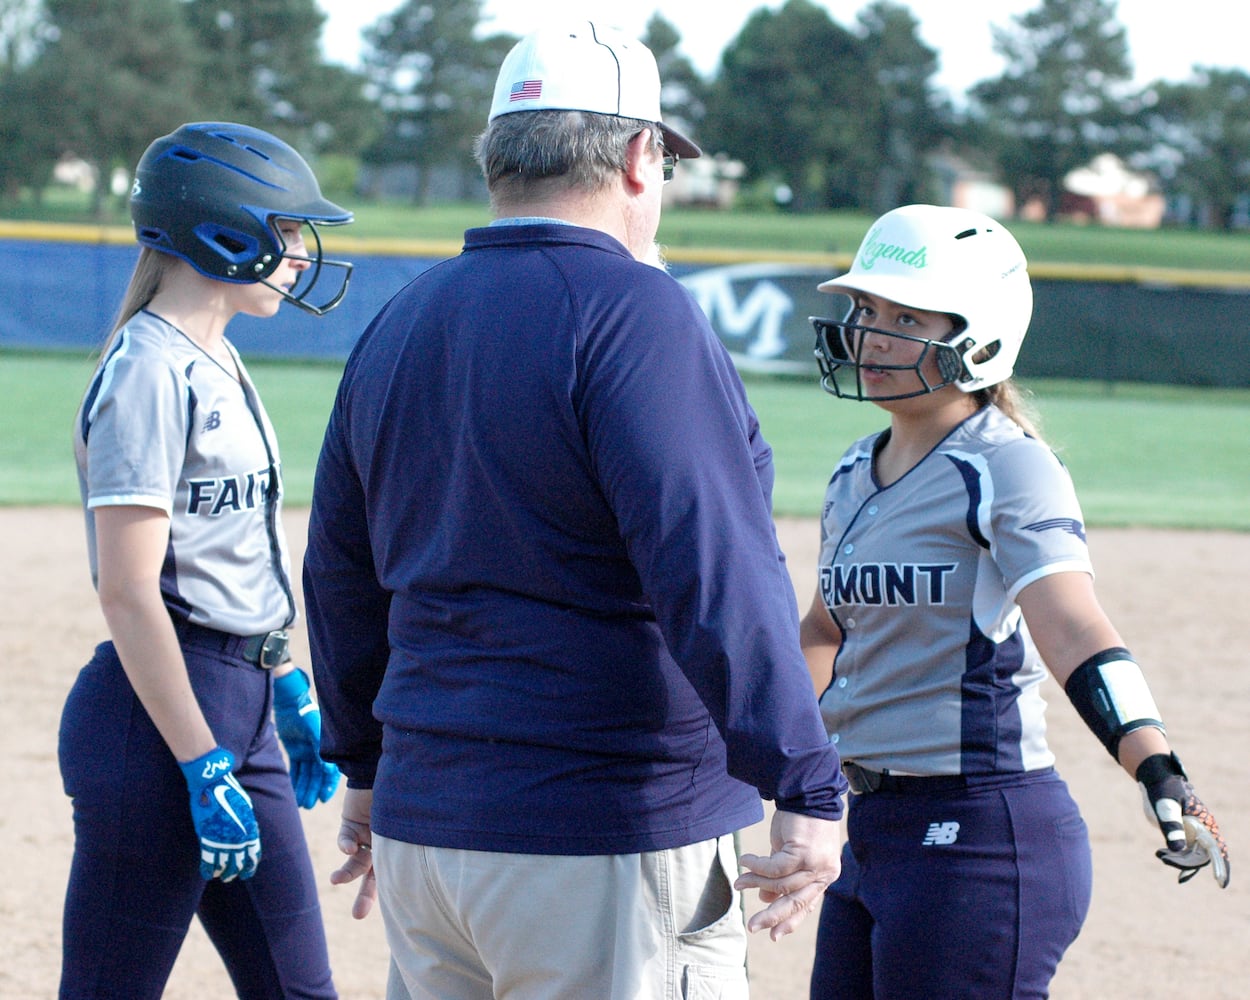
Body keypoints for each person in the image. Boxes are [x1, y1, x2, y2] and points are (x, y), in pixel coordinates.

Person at [302, 20, 847, 1000]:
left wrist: (367, 766)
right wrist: (801, 776)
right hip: (600, 830)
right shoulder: (634, 311)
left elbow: (341, 571)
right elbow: (712, 563)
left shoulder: (401, 317)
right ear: (640, 154)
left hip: (427, 834)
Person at [801, 203, 1231, 999]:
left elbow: (1072, 627)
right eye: (865, 310)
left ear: (980, 335)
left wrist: (1157, 767)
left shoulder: (1006, 466)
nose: (871, 334)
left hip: (978, 837)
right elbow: (827, 629)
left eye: (904, 316)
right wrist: (781, 754)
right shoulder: (853, 469)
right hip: (870, 830)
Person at [58, 121, 353, 999]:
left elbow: (228, 552)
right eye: (287, 228)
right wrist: (199, 761)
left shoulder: (214, 355)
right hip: (159, 729)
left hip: (239, 708)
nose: (300, 253)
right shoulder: (149, 370)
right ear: (221, 232)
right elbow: (128, 592)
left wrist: (283, 676)